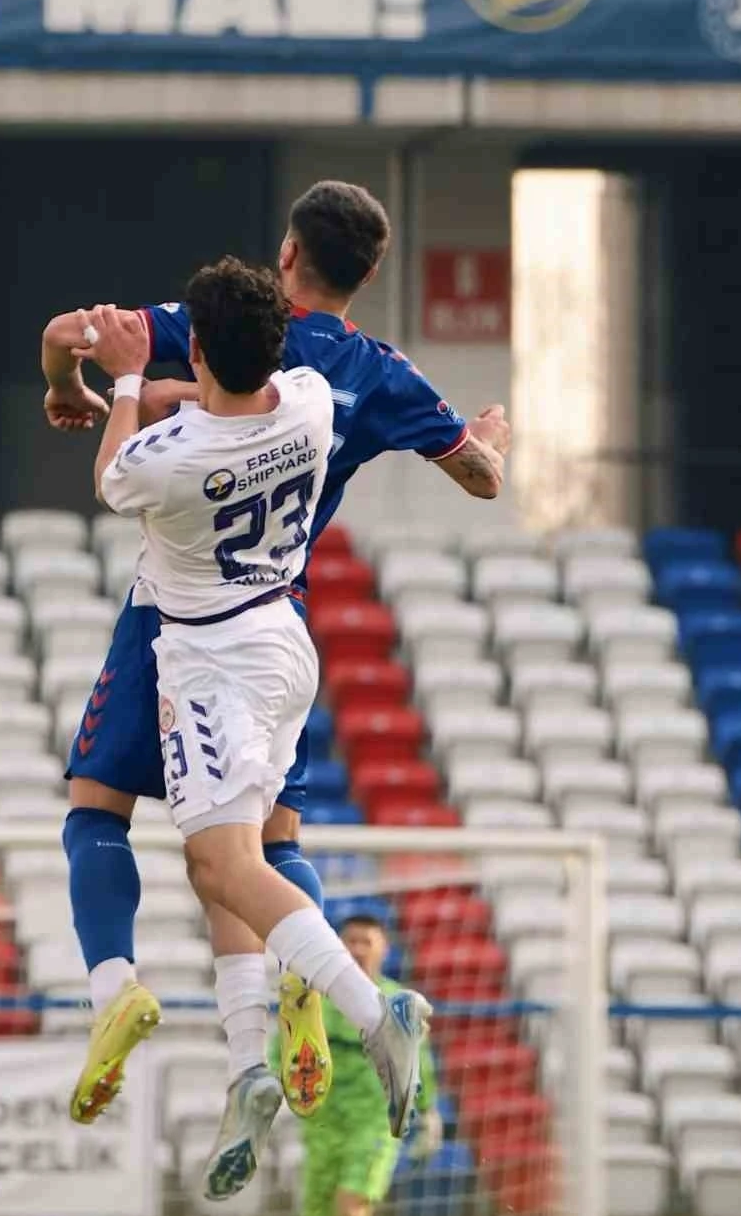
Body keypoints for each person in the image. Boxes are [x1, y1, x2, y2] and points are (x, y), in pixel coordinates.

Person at [41, 181, 510, 1130]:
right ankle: (254, 1057)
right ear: (369, 273)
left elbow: (75, 356)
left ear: (285, 255)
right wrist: (491, 444)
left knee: (125, 819)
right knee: (268, 843)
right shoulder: (339, 389)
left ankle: (137, 989)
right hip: (286, 614)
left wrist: (89, 386)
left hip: (185, 624)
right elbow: (479, 476)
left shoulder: (179, 409)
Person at [83, 257, 432, 1202]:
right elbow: (226, 400)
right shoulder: (313, 401)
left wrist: (122, 379)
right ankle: (249, 1067)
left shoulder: (171, 458)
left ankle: (376, 1011)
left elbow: (114, 470)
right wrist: (172, 387)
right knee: (218, 868)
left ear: (196, 348)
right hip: (284, 642)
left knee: (231, 866)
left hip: (211, 669)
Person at [269, 914, 441, 1216]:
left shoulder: (396, 1004)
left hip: (375, 1122)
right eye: (351, 940)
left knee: (351, 1208)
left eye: (368, 941)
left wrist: (428, 1110)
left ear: (384, 948)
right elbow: (285, 1047)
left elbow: (418, 1062)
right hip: (322, 1123)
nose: (359, 948)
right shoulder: (312, 999)